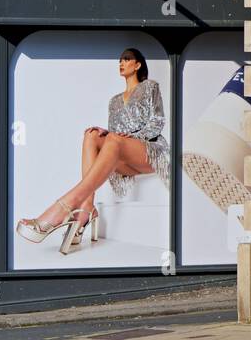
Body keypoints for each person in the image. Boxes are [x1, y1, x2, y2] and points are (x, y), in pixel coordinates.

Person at [16, 48, 169, 255]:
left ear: (138, 64)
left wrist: (131, 137)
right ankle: (87, 207)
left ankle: (65, 206)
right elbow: (115, 134)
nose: (121, 63)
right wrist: (107, 134)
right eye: (120, 60)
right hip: (124, 155)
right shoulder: (114, 101)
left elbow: (157, 122)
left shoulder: (150, 87)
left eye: (127, 59)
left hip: (150, 151)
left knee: (113, 140)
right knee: (91, 135)